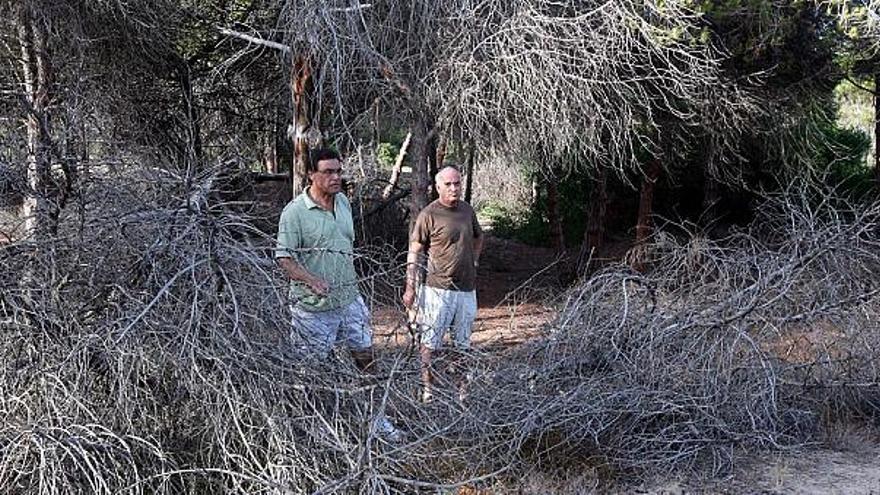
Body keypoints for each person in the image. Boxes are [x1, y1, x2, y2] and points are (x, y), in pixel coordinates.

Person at [276, 148, 400, 440]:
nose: (335, 177)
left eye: (338, 171)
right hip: (312, 309)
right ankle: (310, 428)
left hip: (349, 300)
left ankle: (376, 421)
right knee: (309, 372)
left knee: (367, 359)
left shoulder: (343, 202)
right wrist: (311, 279)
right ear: (311, 174)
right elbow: (284, 257)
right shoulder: (295, 212)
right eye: (328, 172)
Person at [403, 165, 484, 402]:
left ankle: (462, 392)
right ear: (438, 187)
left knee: (462, 345)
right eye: (448, 184)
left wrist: (475, 262)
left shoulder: (467, 211)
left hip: (466, 290)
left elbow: (479, 238)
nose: (454, 188)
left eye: (457, 183)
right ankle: (429, 390)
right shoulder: (429, 214)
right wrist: (410, 287)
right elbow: (414, 252)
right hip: (437, 289)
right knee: (430, 344)